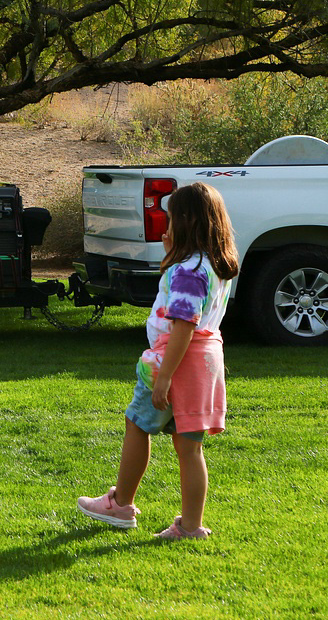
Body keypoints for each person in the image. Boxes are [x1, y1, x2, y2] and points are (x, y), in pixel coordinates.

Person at [76, 181, 239, 539]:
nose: (166, 226)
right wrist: (171, 257)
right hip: (206, 362)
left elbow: (183, 325)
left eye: (170, 219)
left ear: (186, 221)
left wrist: (164, 376)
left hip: (174, 360)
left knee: (136, 424)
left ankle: (120, 505)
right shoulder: (212, 265)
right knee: (189, 447)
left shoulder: (188, 271)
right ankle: (191, 526)